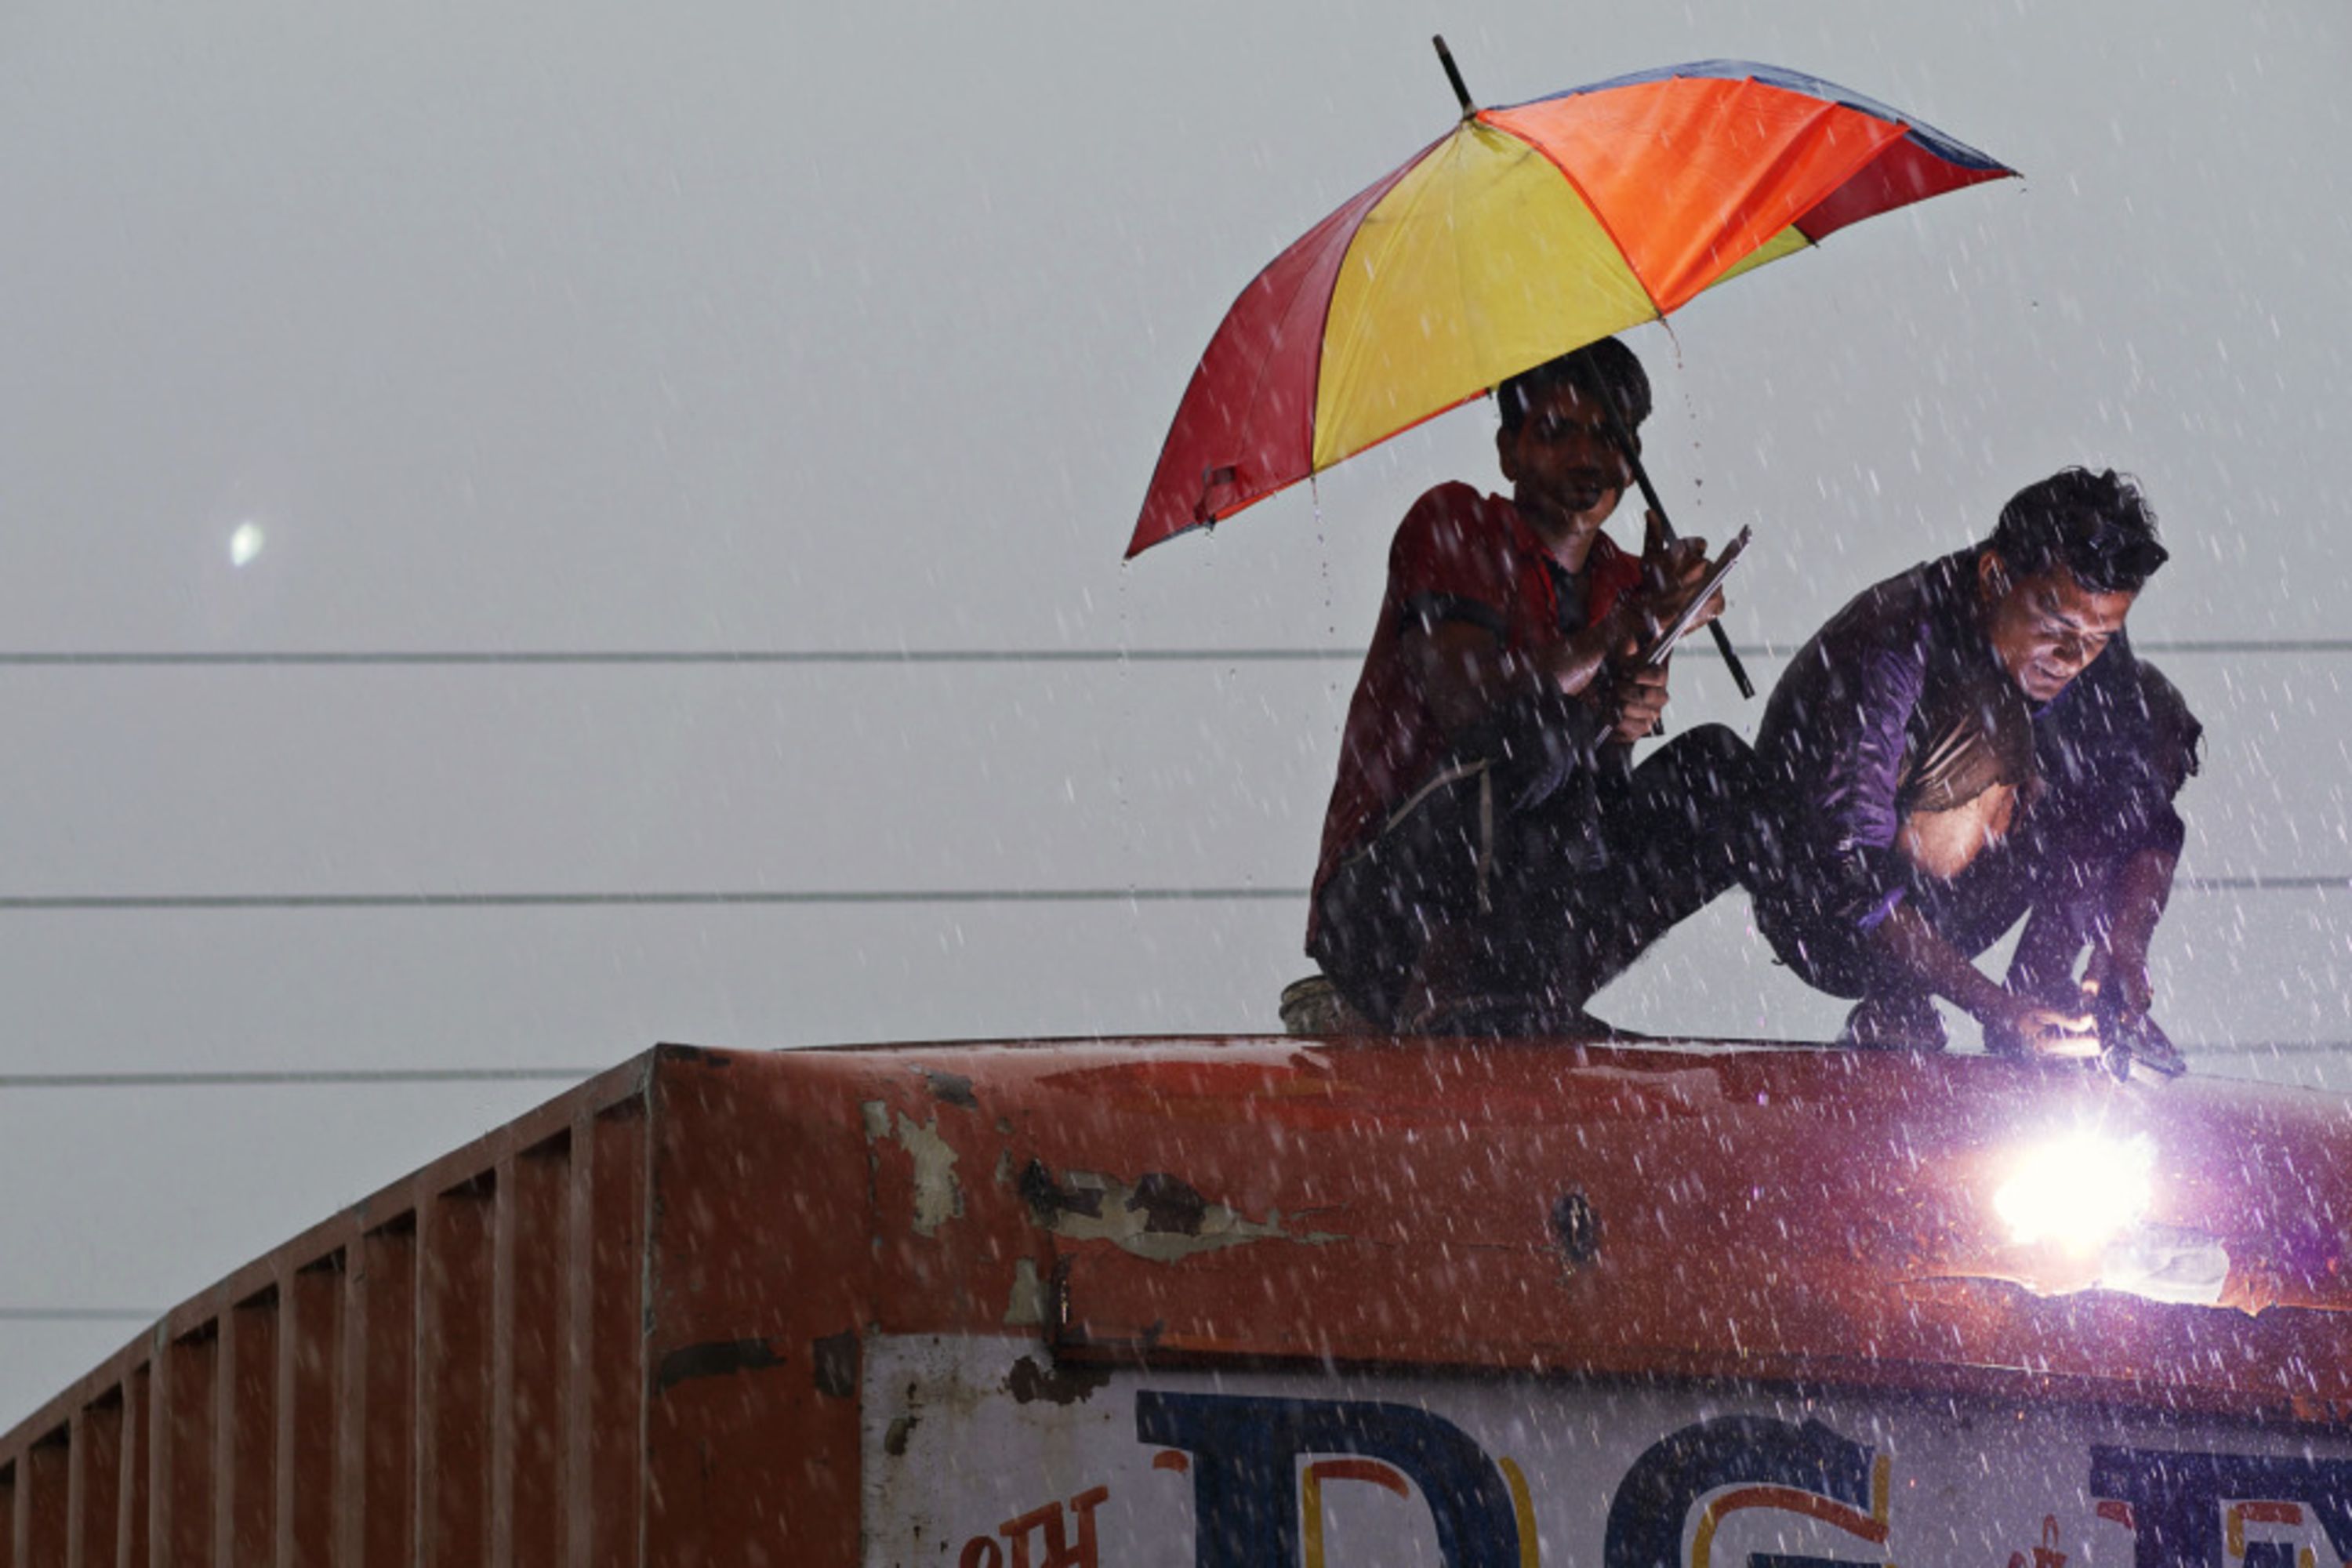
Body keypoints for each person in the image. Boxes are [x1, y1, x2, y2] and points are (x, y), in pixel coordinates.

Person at [1305, 337, 1744, 1034]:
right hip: (1384, 907)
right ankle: (1443, 994)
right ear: (1509, 452)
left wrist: (1630, 701)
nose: (1586, 458)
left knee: (1719, 772)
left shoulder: (1627, 579)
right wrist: (1624, 631)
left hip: (1528, 923)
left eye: (1608, 437)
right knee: (1541, 732)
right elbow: (1472, 707)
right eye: (1557, 432)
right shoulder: (1455, 522)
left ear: (1633, 462)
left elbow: (1592, 799)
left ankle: (1533, 1002)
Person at [1742, 466, 2198, 1057]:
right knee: (1993, 725)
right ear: (1993, 577)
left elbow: (2139, 805)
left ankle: (2046, 984)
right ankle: (1902, 995)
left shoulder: (2083, 633)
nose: (2070, 655)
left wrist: (2126, 946)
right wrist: (1994, 1006)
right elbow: (1847, 873)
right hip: (1828, 917)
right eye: (2056, 626)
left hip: (1955, 905)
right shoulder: (1892, 642)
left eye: (2097, 637)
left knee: (2154, 720)